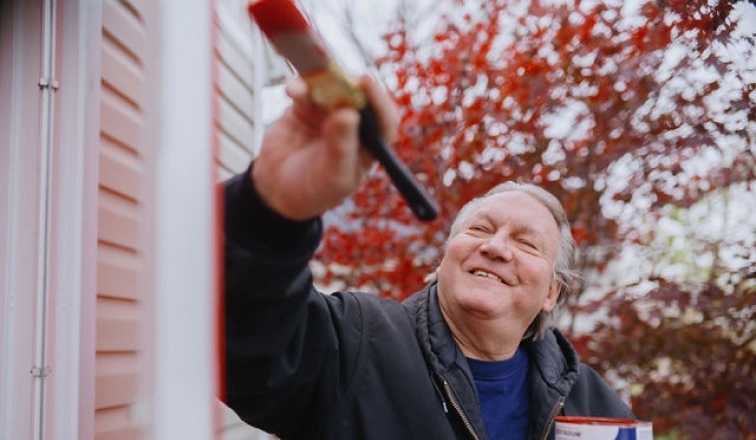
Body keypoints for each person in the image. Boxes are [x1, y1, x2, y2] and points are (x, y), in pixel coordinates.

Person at [222, 74, 635, 440]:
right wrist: (268, 211)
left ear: (551, 292)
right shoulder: (355, 344)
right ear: (442, 262)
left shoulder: (598, 409)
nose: (495, 247)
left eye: (527, 243)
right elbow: (244, 339)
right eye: (479, 229)